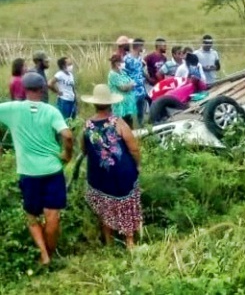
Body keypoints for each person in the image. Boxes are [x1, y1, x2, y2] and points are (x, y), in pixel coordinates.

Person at [0, 72, 74, 266]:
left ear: (24, 89)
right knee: (53, 216)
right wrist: (67, 155)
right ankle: (52, 251)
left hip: (28, 172)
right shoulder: (51, 111)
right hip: (52, 170)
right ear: (42, 89)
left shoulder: (11, 109)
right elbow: (67, 135)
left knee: (32, 215)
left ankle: (44, 254)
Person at [80, 84, 142, 250]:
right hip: (123, 173)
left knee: (104, 206)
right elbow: (133, 148)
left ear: (94, 104)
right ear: (111, 104)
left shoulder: (87, 125)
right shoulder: (118, 122)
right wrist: (138, 164)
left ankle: (109, 242)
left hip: (99, 175)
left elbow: (84, 149)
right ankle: (129, 241)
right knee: (127, 203)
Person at [107, 54, 137, 128]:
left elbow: (132, 83)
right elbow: (123, 88)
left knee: (130, 125)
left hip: (128, 106)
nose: (124, 63)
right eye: (122, 61)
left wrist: (129, 86)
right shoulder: (112, 75)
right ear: (117, 63)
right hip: (119, 106)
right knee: (121, 126)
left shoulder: (123, 72)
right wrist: (130, 85)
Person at [124, 39, 148, 128]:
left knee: (141, 113)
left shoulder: (140, 59)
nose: (143, 48)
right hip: (132, 91)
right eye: (142, 46)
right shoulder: (127, 59)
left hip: (141, 90)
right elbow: (123, 73)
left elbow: (142, 71)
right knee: (130, 114)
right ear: (138, 47)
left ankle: (141, 130)